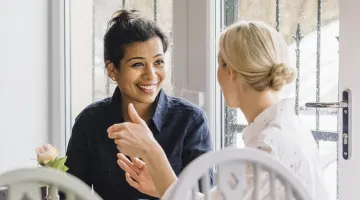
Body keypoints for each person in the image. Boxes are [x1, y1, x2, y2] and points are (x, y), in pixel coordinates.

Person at [108, 21, 329, 199]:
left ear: (230, 71)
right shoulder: (287, 129)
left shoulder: (267, 147)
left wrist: (150, 149)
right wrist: (162, 187)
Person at [65, 9, 213, 200]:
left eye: (158, 62)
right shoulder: (90, 122)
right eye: (137, 64)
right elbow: (69, 194)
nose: (151, 75)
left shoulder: (190, 121)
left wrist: (161, 187)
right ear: (112, 70)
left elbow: (205, 196)